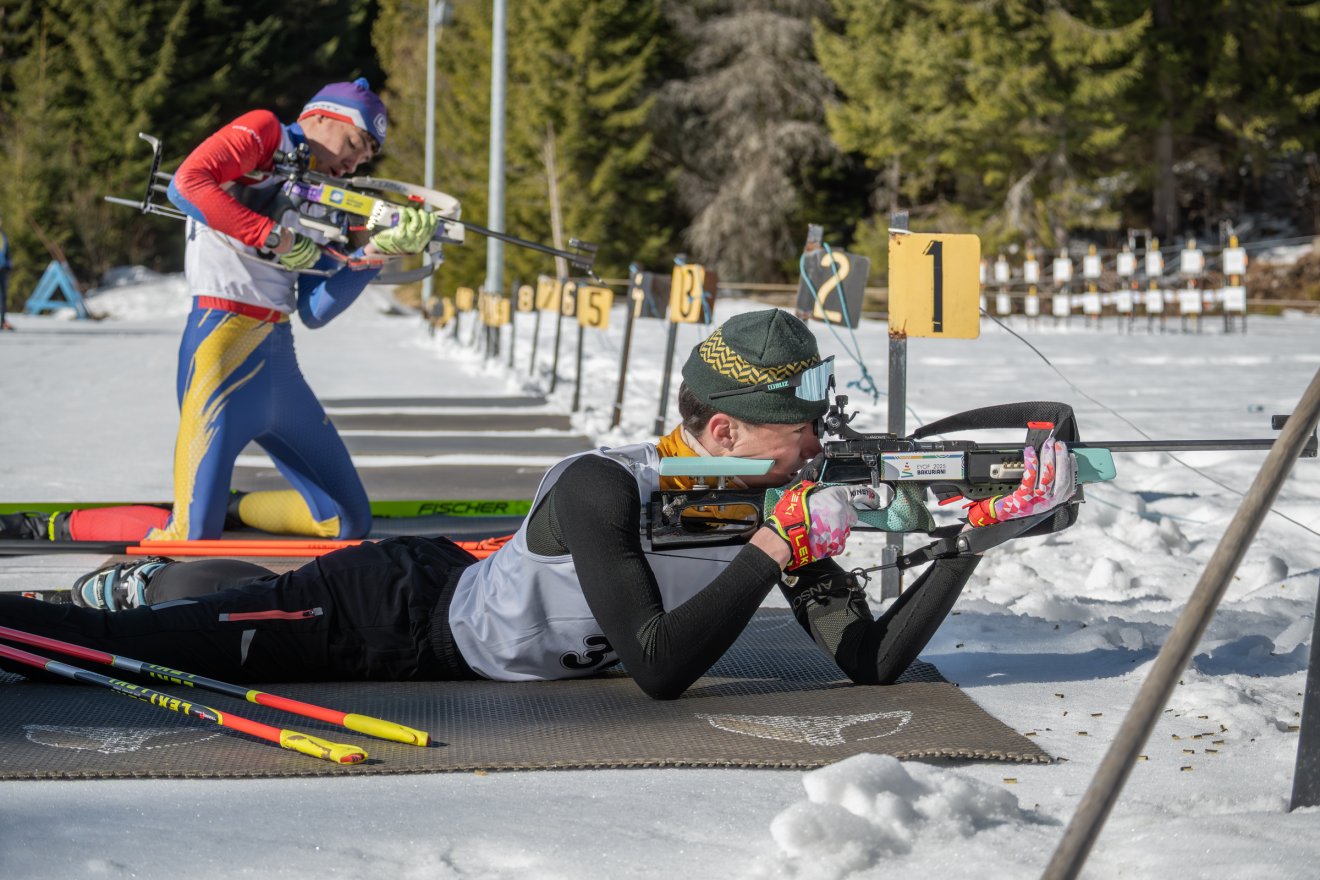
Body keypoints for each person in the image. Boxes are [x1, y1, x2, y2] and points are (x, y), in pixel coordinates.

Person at [0, 309, 1075, 698]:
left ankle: (176, 578)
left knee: (206, 607)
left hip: (461, 613)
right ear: (722, 433)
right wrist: (768, 546)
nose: (819, 447)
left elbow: (868, 664)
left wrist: (968, 546)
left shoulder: (771, 495)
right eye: (802, 428)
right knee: (144, 647)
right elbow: (658, 668)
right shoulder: (606, 484)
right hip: (387, 618)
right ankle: (103, 601)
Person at [0, 79, 439, 545]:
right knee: (191, 536)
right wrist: (273, 237)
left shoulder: (323, 193)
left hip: (279, 366)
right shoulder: (266, 131)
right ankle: (49, 524)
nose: (353, 162)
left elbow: (314, 310)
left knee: (347, 522)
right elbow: (188, 185)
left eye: (364, 158)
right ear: (321, 116)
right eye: (353, 143)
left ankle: (228, 504)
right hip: (220, 351)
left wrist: (375, 253)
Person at [0, 214, 12, 331]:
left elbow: (7, 251)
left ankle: (2, 321)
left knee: (3, 297)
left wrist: (9, 265)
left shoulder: (2, 235)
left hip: (3, 269)